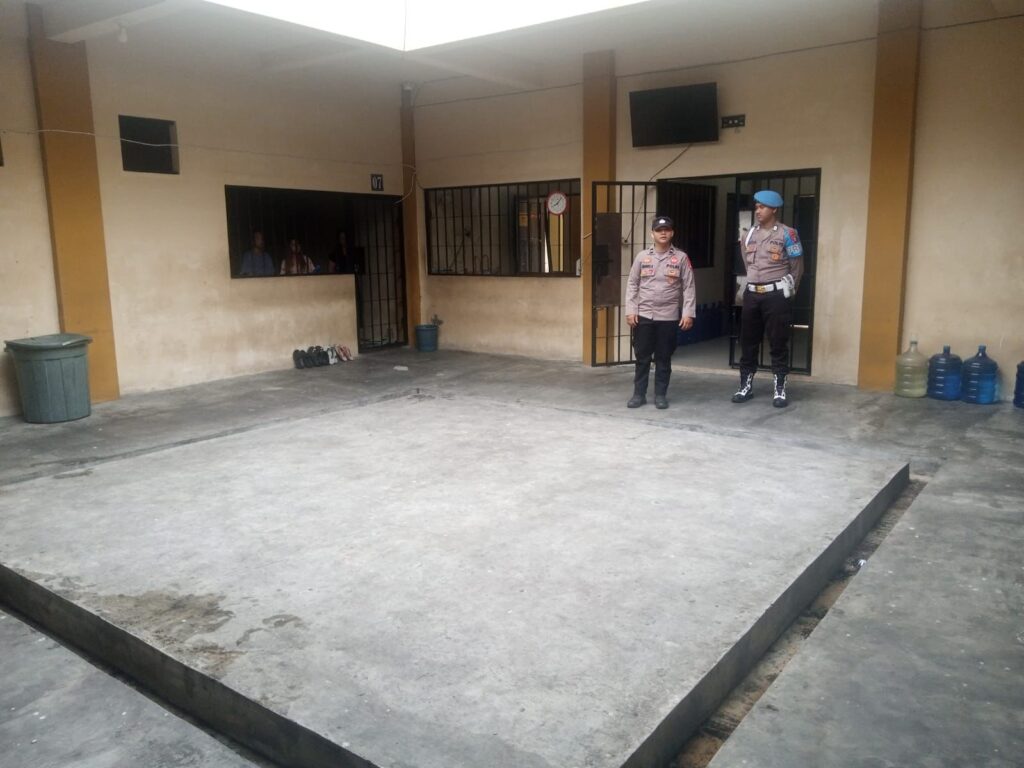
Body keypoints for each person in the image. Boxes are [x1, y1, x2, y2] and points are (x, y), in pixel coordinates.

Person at [732, 189, 804, 408]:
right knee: (748, 341)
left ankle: (779, 389)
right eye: (756, 207)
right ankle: (745, 386)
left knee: (778, 341)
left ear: (774, 209)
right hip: (752, 294)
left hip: (776, 295)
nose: (758, 210)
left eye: (762, 207)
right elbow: (748, 264)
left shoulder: (787, 234)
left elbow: (797, 267)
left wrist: (788, 293)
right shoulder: (748, 235)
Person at [625, 216, 696, 410]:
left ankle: (660, 395)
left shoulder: (681, 258)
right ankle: (638, 394)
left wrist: (688, 313)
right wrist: (631, 310)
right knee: (642, 357)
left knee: (664, 358)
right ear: (652, 234)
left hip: (668, 316)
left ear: (672, 233)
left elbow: (689, 287)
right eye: (659, 230)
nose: (663, 233)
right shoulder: (642, 257)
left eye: (666, 230)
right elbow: (632, 284)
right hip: (644, 315)